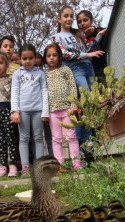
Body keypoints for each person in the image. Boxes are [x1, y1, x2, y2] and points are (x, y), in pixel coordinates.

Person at [52, 6, 105, 146]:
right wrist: (88, 55)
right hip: (75, 69)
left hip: (89, 67)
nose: (69, 18)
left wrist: (99, 35)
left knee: (94, 101)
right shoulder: (57, 37)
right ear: (59, 19)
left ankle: (94, 136)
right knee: (85, 100)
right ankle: (85, 141)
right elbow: (64, 54)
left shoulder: (78, 34)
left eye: (71, 16)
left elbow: (87, 48)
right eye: (66, 16)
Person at [10, 44, 49, 177]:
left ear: (35, 58)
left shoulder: (40, 73)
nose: (27, 61)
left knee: (38, 138)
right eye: (24, 58)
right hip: (23, 111)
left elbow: (44, 91)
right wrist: (15, 111)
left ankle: (39, 167)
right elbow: (14, 92)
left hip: (38, 110)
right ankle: (25, 168)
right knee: (24, 139)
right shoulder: (17, 74)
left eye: (30, 58)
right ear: (20, 58)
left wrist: (45, 112)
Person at [43, 43, 82, 170]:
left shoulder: (65, 70)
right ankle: (59, 165)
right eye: (48, 56)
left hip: (68, 110)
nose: (52, 58)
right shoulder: (44, 74)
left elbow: (72, 86)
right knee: (56, 139)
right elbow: (44, 93)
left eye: (54, 55)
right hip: (53, 111)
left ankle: (76, 163)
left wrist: (73, 105)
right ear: (45, 58)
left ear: (59, 56)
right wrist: (45, 112)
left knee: (71, 136)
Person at [0, 51, 19, 178]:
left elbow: (15, 96)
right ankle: (3, 166)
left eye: (1, 63)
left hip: (8, 112)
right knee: (1, 141)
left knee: (11, 140)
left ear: (6, 64)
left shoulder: (11, 79)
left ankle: (13, 164)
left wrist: (14, 111)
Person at [77, 10, 107, 77]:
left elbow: (110, 30)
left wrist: (95, 31)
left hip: (105, 69)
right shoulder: (78, 40)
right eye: (79, 22)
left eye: (85, 20)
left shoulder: (99, 31)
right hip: (89, 74)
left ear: (92, 20)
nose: (82, 23)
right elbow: (86, 53)